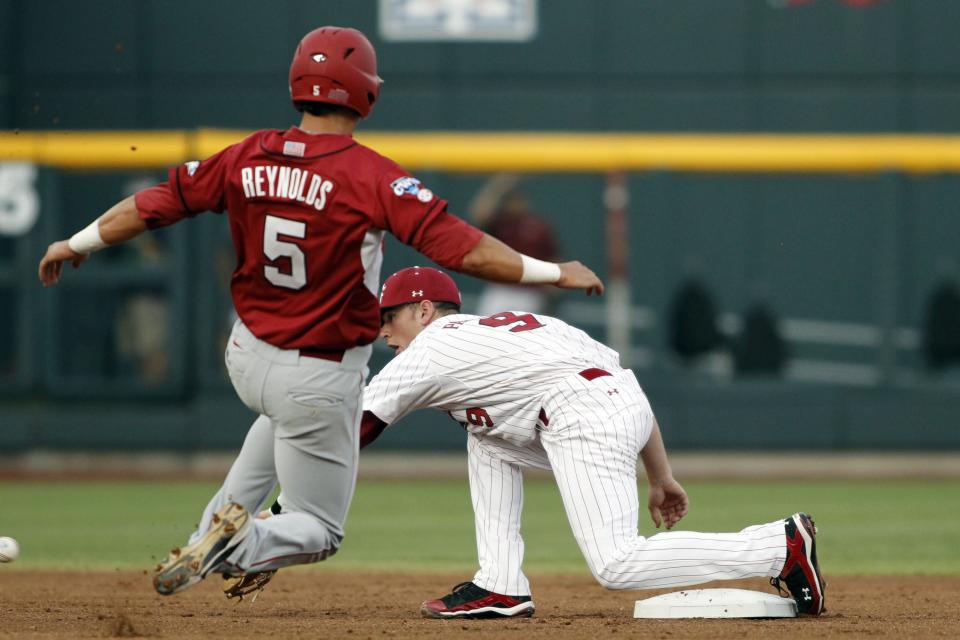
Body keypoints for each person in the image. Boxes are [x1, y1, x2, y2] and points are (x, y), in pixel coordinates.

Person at [37, 26, 603, 597]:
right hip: (317, 371)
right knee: (320, 529)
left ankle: (209, 530)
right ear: (365, 92)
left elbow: (152, 205)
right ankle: (240, 543)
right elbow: (466, 251)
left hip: (247, 355)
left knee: (277, 419)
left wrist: (76, 242)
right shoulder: (371, 175)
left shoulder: (245, 154)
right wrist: (555, 271)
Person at [356, 266, 825, 618]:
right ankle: (500, 584)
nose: (382, 330)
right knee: (485, 435)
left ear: (424, 311)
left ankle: (778, 547)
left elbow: (354, 428)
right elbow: (623, 382)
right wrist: (660, 475)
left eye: (389, 316)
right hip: (616, 404)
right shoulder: (517, 327)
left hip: (581, 413)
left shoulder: (433, 345)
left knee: (617, 565)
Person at [469, 174, 560, 316]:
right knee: (484, 328)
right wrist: (498, 186)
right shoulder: (501, 223)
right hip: (501, 289)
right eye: (511, 200)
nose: (516, 204)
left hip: (529, 292)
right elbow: (479, 213)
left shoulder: (538, 226)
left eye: (518, 200)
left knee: (522, 335)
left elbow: (553, 255)